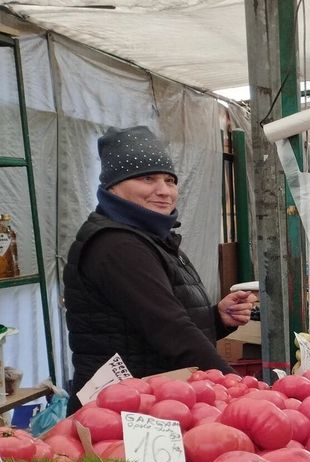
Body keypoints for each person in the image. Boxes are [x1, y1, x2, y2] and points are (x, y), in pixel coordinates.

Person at [63, 126, 256, 412]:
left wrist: (217, 317)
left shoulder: (152, 238)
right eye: (147, 178)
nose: (164, 191)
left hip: (149, 399)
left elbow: (152, 322)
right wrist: (240, 391)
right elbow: (171, 330)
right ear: (113, 186)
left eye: (170, 180)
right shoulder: (117, 245)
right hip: (120, 410)